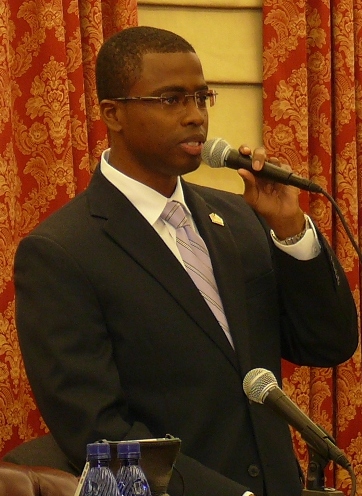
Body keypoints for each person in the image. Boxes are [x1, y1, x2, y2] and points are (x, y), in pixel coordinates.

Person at [14, 26, 358, 496]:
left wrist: (290, 232)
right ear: (112, 113)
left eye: (201, 97)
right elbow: (96, 433)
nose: (196, 117)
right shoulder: (62, 252)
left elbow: (327, 344)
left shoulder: (239, 217)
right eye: (172, 99)